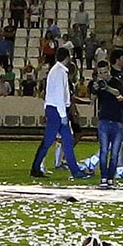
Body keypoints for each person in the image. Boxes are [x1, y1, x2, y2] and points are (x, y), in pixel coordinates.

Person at [31, 48, 89, 179]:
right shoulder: (60, 72)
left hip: (55, 109)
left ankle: (75, 171)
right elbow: (59, 96)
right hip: (57, 110)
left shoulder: (56, 71)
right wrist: (63, 115)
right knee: (48, 141)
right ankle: (35, 168)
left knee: (67, 141)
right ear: (67, 58)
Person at [92, 60, 123, 188]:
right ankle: (104, 177)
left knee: (115, 153)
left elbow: (120, 96)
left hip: (117, 120)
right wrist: (95, 89)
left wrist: (106, 88)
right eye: (101, 73)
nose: (103, 75)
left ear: (109, 71)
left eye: (105, 72)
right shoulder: (98, 84)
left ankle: (111, 177)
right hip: (104, 120)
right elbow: (92, 100)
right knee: (104, 151)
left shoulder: (116, 82)